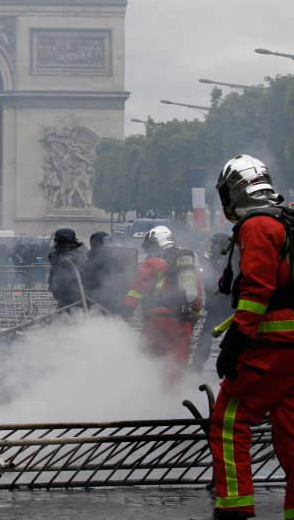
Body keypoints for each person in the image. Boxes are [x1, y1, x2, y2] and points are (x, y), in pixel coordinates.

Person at [193, 155, 294, 520]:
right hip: (290, 344)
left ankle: (233, 507)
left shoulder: (258, 226)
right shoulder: (284, 220)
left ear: (235, 191)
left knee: (229, 420)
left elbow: (256, 290)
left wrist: (236, 342)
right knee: (290, 434)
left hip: (270, 344)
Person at [120, 225, 202, 380]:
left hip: (156, 321)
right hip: (182, 324)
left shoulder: (152, 263)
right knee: (176, 370)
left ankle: (144, 396)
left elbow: (138, 288)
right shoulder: (187, 267)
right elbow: (197, 300)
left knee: (144, 362)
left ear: (158, 243)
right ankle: (172, 400)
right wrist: (192, 321)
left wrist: (126, 309)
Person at [190, 232, 235, 373]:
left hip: (227, 306)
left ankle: (232, 364)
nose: (213, 246)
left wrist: (217, 299)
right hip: (217, 304)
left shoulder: (230, 258)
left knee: (231, 336)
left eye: (215, 243)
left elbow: (230, 284)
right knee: (206, 334)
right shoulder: (217, 260)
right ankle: (197, 364)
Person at [47, 228, 87, 308]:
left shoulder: (68, 259)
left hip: (70, 299)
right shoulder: (74, 255)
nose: (55, 246)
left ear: (63, 243)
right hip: (67, 299)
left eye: (57, 243)